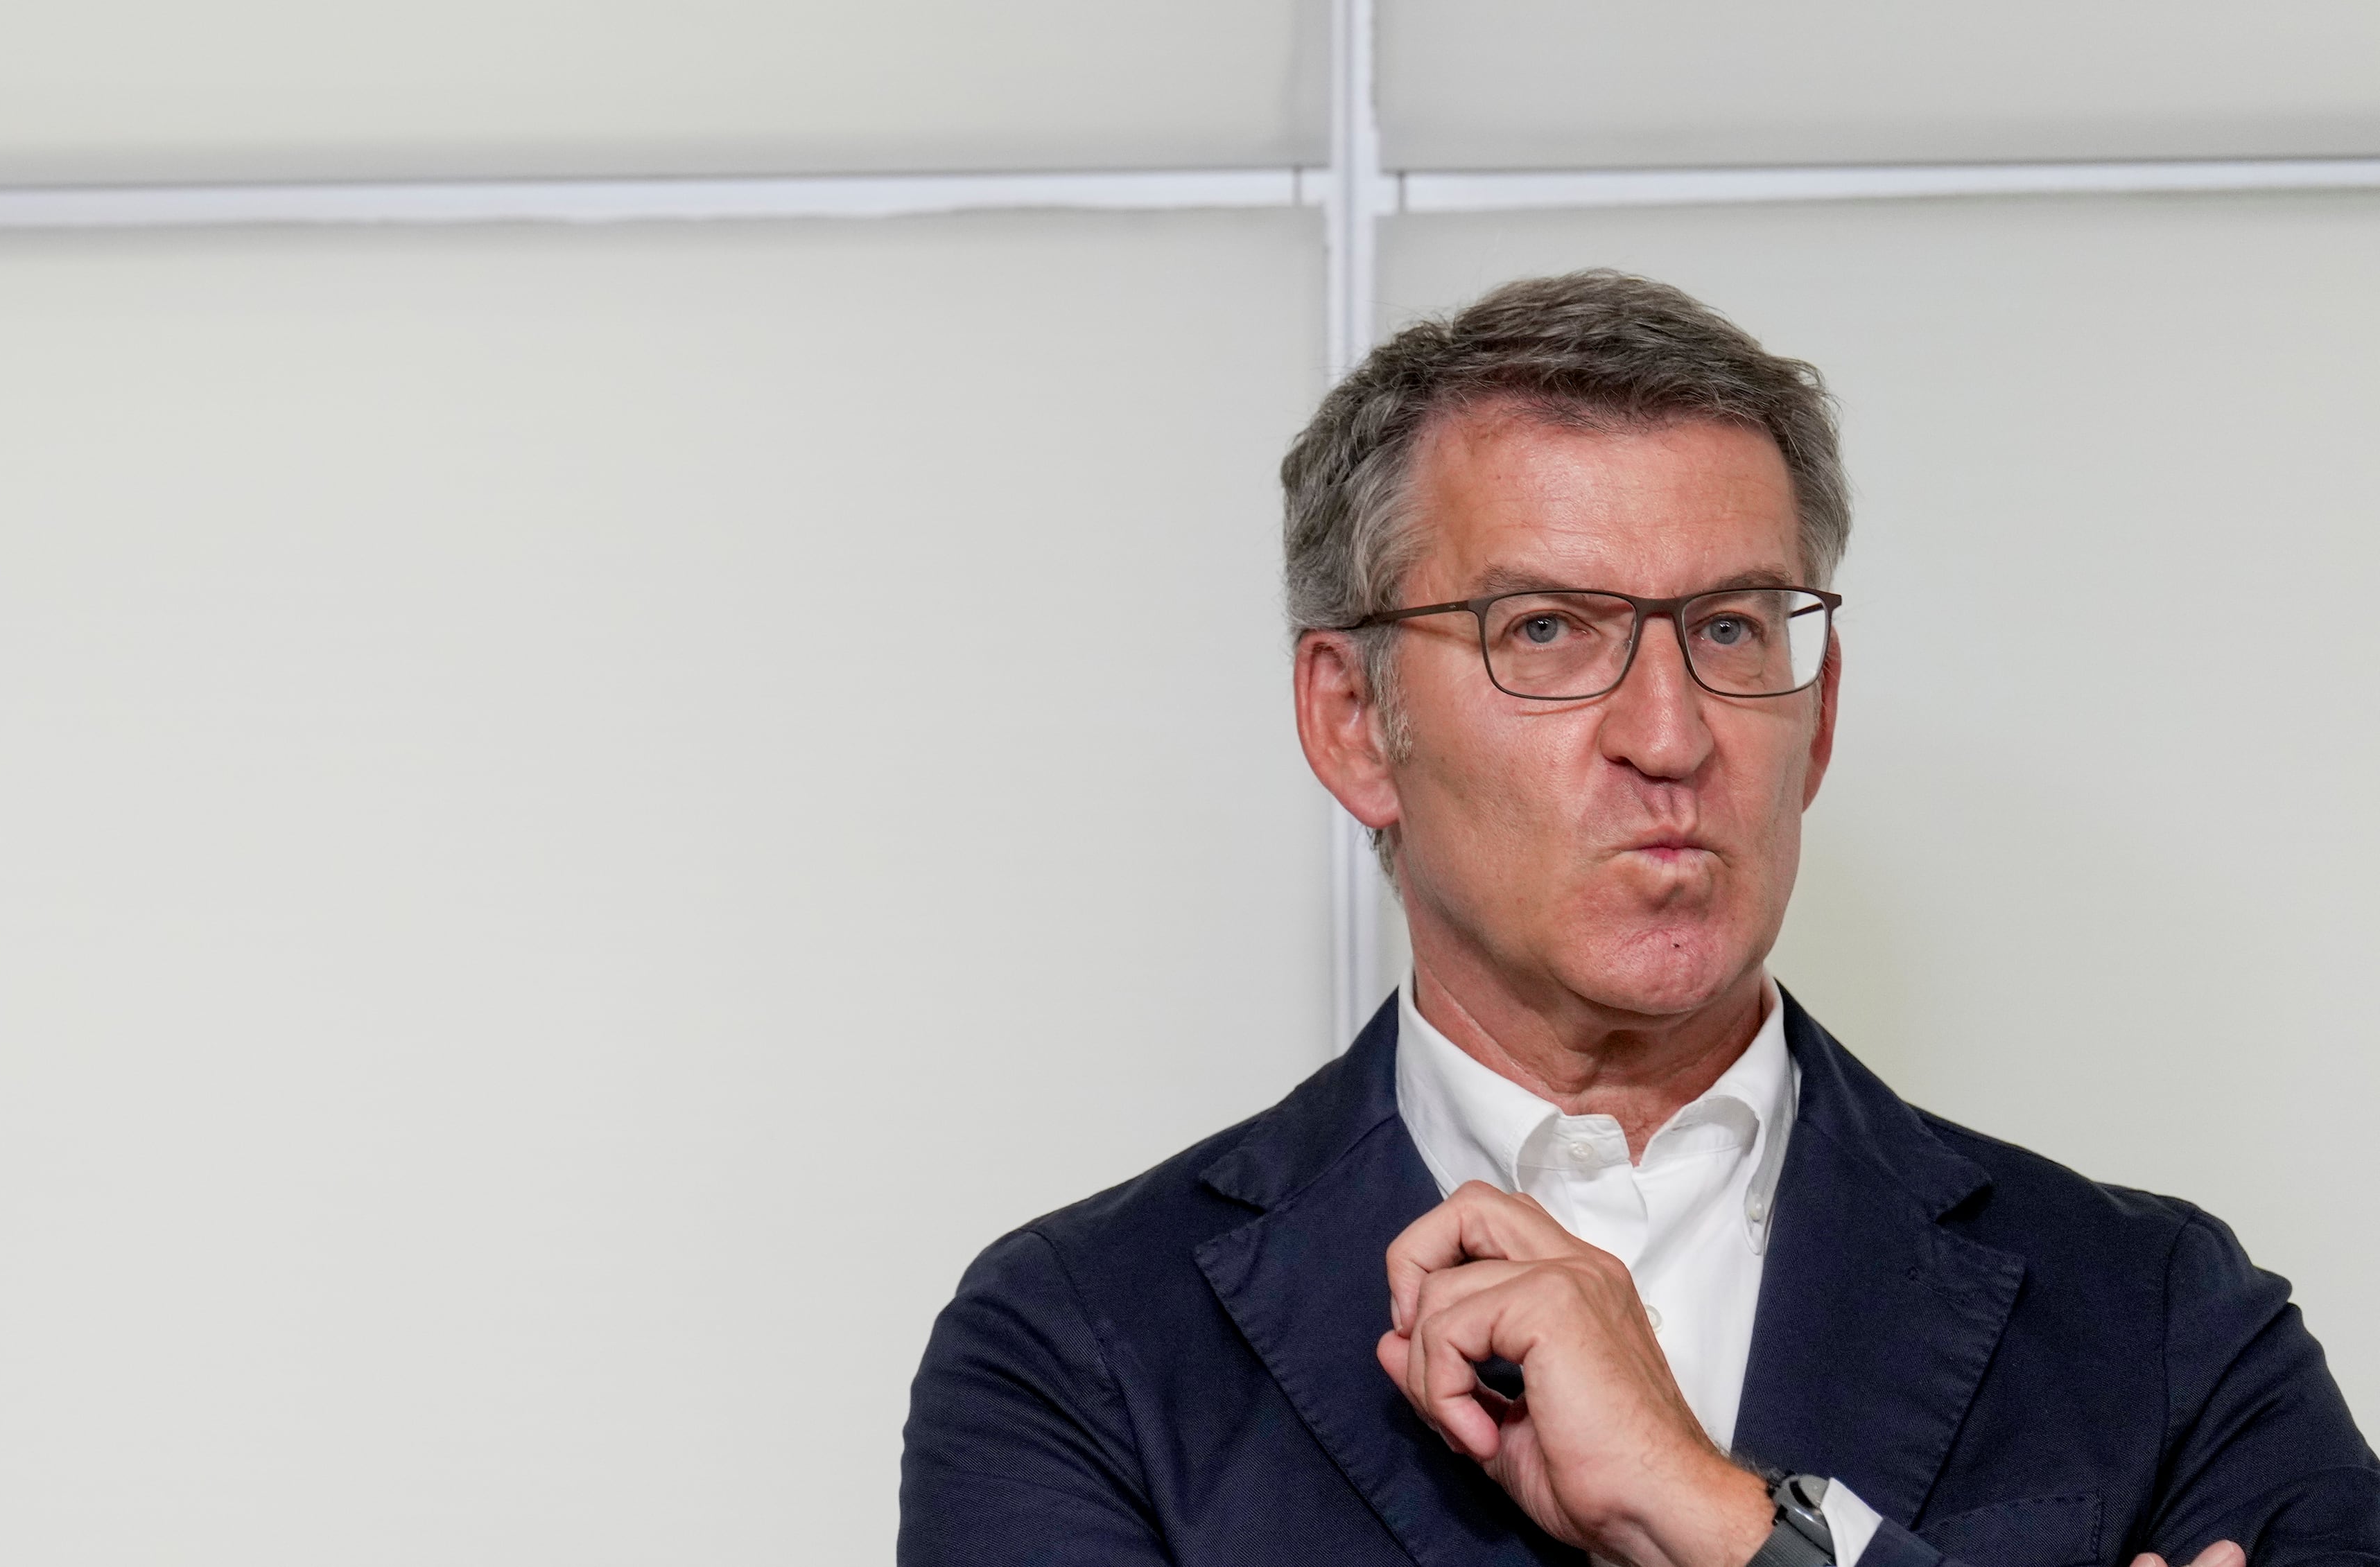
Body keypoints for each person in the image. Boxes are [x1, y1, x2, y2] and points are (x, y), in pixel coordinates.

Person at [898, 272, 2379, 1567]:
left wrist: (1719, 1519)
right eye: (1546, 628)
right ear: (1353, 721)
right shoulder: (1082, 1343)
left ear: (1820, 714)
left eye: (1732, 626)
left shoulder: (2161, 1313)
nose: (1668, 732)